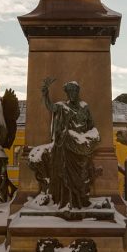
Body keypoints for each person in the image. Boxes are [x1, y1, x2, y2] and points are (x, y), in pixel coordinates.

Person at [40, 77, 99, 209]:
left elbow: (91, 125)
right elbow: (51, 107)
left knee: (81, 174)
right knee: (66, 172)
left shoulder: (84, 107)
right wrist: (45, 94)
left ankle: (81, 198)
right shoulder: (62, 106)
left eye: (74, 92)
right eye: (70, 92)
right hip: (67, 146)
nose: (72, 94)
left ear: (78, 92)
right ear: (67, 93)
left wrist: (90, 139)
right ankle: (68, 200)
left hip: (81, 145)